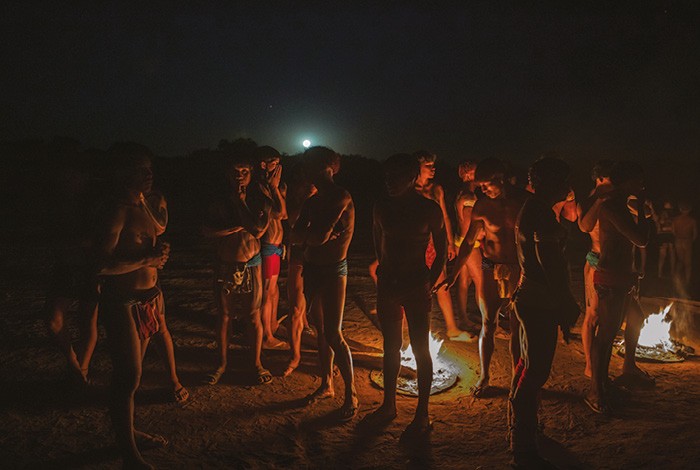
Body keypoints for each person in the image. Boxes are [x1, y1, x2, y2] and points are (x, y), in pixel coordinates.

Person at [95, 143, 184, 469]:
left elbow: (155, 234)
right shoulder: (116, 210)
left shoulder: (145, 205)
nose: (148, 175)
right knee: (128, 376)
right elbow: (99, 266)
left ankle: (129, 432)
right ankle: (129, 455)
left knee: (136, 374)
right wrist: (147, 258)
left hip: (149, 297)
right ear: (122, 173)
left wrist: (157, 259)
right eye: (140, 170)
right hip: (123, 301)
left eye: (150, 169)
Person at [509, 157, 580, 468]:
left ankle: (518, 431)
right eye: (563, 181)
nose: (567, 187)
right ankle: (522, 447)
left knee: (526, 365)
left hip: (529, 297)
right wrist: (566, 302)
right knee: (535, 372)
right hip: (539, 300)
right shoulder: (541, 216)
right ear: (551, 184)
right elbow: (550, 264)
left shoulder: (535, 209)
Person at [369, 153, 446, 437]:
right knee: (391, 346)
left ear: (413, 179)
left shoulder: (429, 210)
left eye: (397, 176)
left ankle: (422, 414)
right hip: (389, 284)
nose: (389, 182)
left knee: (420, 348)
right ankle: (389, 404)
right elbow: (378, 243)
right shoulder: (381, 207)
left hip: (416, 285)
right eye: (387, 176)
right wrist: (383, 272)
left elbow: (442, 249)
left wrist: (430, 280)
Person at [441, 158, 530, 397]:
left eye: (486, 185)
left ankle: (516, 377)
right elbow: (470, 241)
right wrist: (455, 272)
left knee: (515, 326)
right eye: (480, 187)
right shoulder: (481, 206)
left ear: (500, 178)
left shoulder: (523, 201)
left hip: (518, 268)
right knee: (488, 323)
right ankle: (485, 376)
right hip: (490, 267)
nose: (483, 190)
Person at [292, 146, 358, 422]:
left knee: (333, 332)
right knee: (321, 330)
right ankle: (327, 384)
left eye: (312, 168)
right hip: (314, 267)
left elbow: (314, 236)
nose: (309, 174)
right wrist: (314, 235)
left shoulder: (340, 196)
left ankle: (351, 393)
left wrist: (314, 235)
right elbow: (296, 235)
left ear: (328, 168)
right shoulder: (313, 201)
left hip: (332, 269)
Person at [585, 161, 651, 415]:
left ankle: (627, 369)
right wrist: (642, 207)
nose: (642, 184)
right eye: (638, 180)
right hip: (610, 278)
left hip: (622, 277)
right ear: (625, 182)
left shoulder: (620, 205)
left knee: (637, 318)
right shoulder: (612, 207)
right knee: (606, 336)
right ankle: (595, 390)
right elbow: (641, 239)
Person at [203, 155, 272, 386]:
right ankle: (221, 363)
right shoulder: (217, 200)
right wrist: (240, 225)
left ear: (251, 175)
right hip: (225, 264)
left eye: (244, 171)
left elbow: (259, 231)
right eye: (235, 171)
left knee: (253, 316)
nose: (239, 176)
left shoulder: (258, 199)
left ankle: (256, 364)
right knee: (224, 316)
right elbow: (207, 231)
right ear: (227, 174)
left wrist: (241, 203)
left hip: (252, 264)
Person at [44, 153, 99, 387]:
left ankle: (82, 371)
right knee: (53, 319)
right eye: (65, 176)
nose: (68, 180)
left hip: (89, 268)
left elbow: (100, 239)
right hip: (65, 267)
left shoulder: (94, 206)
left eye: (74, 175)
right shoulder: (55, 206)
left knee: (87, 322)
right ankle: (75, 367)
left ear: (84, 177)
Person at [414, 150, 473, 342]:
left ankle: (452, 328)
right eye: (428, 166)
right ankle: (412, 327)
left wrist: (449, 243)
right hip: (416, 242)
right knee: (416, 286)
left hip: (434, 241)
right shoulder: (409, 189)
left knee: (442, 284)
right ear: (418, 167)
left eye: (433, 165)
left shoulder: (436, 189)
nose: (433, 168)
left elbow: (445, 216)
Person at [577, 160, 614, 378]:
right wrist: (600, 201)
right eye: (610, 182)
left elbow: (646, 214)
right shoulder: (590, 201)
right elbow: (584, 226)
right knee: (592, 315)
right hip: (596, 261)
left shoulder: (621, 199)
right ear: (599, 180)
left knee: (612, 318)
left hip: (618, 264)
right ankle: (590, 366)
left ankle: (604, 365)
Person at [283, 162, 320, 377]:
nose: (312, 186)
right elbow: (293, 226)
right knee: (296, 308)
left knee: (324, 315)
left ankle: (326, 358)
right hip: (299, 258)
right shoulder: (296, 202)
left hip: (321, 260)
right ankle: (295, 356)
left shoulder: (329, 201)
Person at [255, 146, 289, 350]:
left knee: (274, 291)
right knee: (267, 292)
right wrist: (274, 188)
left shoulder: (277, 186)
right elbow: (279, 214)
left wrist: (277, 188)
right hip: (267, 246)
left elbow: (284, 212)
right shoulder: (258, 187)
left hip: (276, 246)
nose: (278, 168)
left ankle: (273, 324)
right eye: (274, 164)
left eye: (278, 163)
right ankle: (266, 335)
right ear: (263, 165)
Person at [453, 159, 483, 331]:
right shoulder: (470, 197)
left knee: (464, 281)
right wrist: (479, 239)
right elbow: (467, 227)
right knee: (481, 281)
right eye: (477, 173)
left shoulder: (461, 193)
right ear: (468, 174)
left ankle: (463, 319)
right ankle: (489, 321)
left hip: (460, 241)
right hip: (470, 244)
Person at [672, 201, 697, 294]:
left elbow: (673, 232)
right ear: (689, 210)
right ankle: (687, 281)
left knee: (679, 261)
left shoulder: (675, 220)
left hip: (678, 240)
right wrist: (689, 240)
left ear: (680, 209)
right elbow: (695, 235)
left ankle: (676, 280)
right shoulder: (692, 221)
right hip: (687, 241)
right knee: (688, 262)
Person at [655, 198, 675, 279]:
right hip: (665, 235)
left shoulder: (672, 214)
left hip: (669, 235)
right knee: (665, 254)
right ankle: (660, 272)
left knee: (670, 254)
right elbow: (660, 223)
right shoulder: (663, 214)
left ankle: (670, 272)